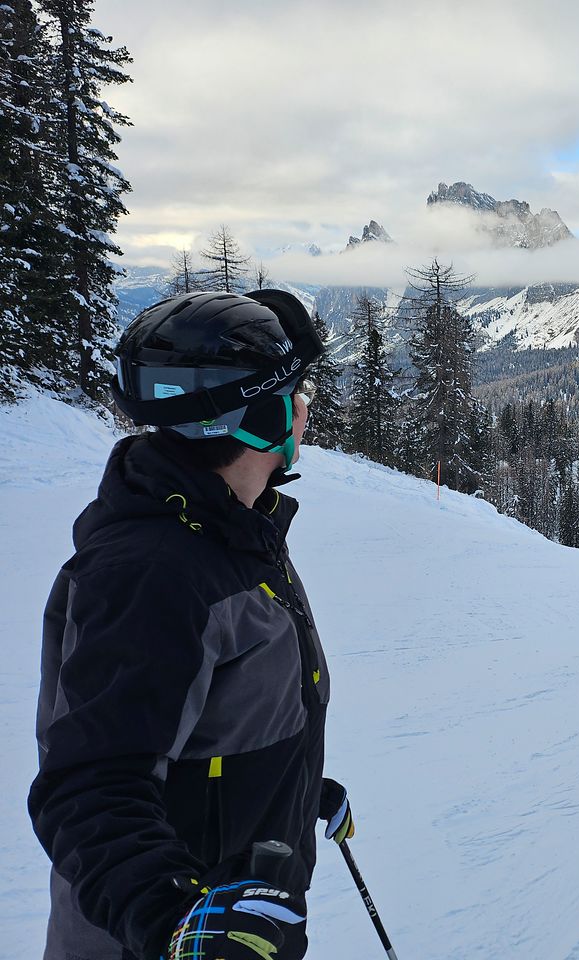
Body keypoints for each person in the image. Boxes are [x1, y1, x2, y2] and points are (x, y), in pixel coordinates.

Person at [29, 290, 355, 960]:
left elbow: (207, 723)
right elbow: (89, 786)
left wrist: (295, 785)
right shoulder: (155, 571)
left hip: (241, 920)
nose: (306, 407)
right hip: (164, 942)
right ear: (257, 416)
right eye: (297, 392)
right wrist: (175, 919)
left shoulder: (230, 531)